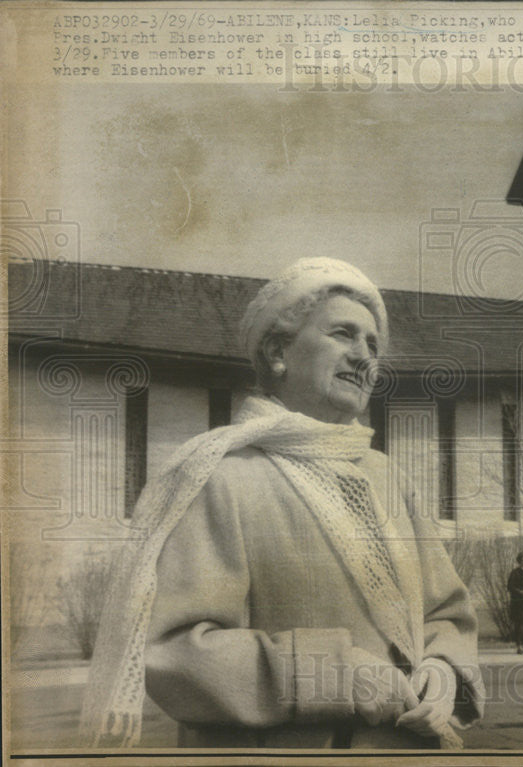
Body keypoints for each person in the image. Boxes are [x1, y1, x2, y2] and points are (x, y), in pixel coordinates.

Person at [81, 257, 484, 749]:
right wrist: (332, 675)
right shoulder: (219, 476)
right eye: (343, 334)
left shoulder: (387, 477)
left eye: (373, 344)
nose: (365, 357)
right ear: (278, 351)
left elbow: (447, 612)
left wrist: (443, 671)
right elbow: (174, 653)